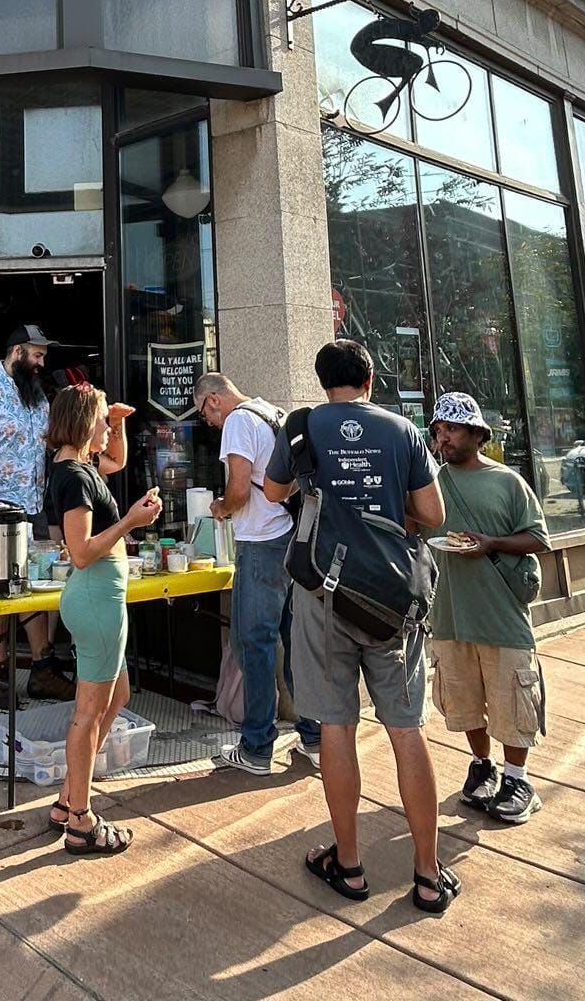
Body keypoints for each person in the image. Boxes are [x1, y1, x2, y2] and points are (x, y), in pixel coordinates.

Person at [264, 340, 459, 915]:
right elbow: (434, 516)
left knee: (336, 727)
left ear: (323, 381)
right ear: (370, 379)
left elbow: (274, 493)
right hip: (391, 598)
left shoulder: (303, 427)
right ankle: (427, 873)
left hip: (324, 590)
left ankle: (348, 865)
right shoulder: (403, 431)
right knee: (405, 729)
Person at [45, 384, 162, 854]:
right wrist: (131, 522)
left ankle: (67, 799)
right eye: (98, 422)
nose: (104, 431)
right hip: (95, 598)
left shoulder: (79, 467)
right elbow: (81, 552)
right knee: (88, 714)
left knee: (119, 695)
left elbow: (116, 461)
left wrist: (119, 421)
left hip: (100, 600)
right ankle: (80, 820)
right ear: (80, 424)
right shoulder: (73, 476)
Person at [429, 392, 550, 825]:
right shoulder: (431, 483)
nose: (443, 438)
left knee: (511, 701)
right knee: (463, 701)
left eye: (453, 429)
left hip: (501, 615)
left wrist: (491, 543)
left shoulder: (507, 482)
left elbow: (538, 537)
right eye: (439, 430)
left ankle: (518, 780)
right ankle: (483, 766)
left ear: (477, 434)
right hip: (449, 615)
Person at [194, 372, 320, 775]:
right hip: (288, 538)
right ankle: (315, 735)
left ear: (213, 399)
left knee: (253, 642)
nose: (208, 423)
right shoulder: (269, 410)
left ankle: (256, 746)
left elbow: (239, 489)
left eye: (203, 413)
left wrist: (221, 508)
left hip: (261, 542)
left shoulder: (237, 421)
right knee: (290, 638)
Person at [0, 325, 75, 707]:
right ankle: (0, 669)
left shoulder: (37, 397)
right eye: (37, 355)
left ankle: (43, 669)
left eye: (43, 357)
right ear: (17, 352)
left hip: (34, 505)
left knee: (36, 587)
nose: (42, 363)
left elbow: (49, 446)